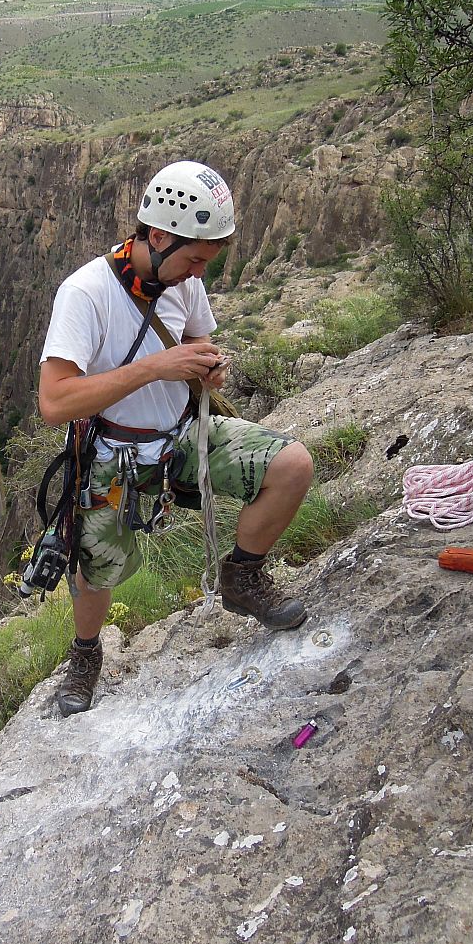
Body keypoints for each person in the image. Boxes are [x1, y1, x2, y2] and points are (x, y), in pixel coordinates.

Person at [38, 160, 314, 717]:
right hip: (110, 454)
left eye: (206, 262)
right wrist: (155, 367)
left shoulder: (182, 283)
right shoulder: (85, 294)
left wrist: (209, 368)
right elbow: (55, 402)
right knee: (95, 568)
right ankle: (86, 655)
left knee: (292, 466)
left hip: (180, 438)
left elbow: (199, 343)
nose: (198, 274)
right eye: (194, 259)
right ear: (159, 236)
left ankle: (242, 578)